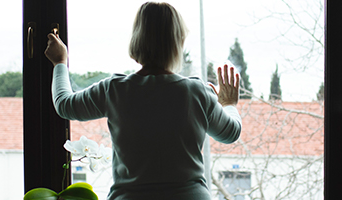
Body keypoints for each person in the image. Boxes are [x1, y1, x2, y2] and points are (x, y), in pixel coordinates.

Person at [44, 2, 242, 200]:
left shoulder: (115, 89)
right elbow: (230, 133)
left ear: (137, 39)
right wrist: (229, 104)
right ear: (178, 43)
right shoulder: (197, 91)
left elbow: (64, 105)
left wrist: (60, 62)